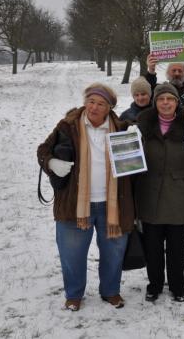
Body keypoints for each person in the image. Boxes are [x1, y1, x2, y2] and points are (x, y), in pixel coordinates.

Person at [37, 83, 135, 311]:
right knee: (72, 255)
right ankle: (74, 294)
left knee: (114, 254)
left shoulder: (121, 128)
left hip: (113, 205)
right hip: (75, 205)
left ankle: (110, 291)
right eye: (91, 101)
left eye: (101, 103)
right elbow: (43, 150)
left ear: (109, 107)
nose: (94, 107)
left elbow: (136, 163)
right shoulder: (67, 126)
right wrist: (51, 162)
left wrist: (136, 140)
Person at [135, 83, 184, 302]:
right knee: (152, 246)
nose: (166, 103)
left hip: (180, 194)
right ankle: (155, 284)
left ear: (177, 102)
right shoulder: (142, 126)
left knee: (176, 247)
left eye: (170, 99)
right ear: (155, 102)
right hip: (150, 193)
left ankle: (178, 286)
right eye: (161, 99)